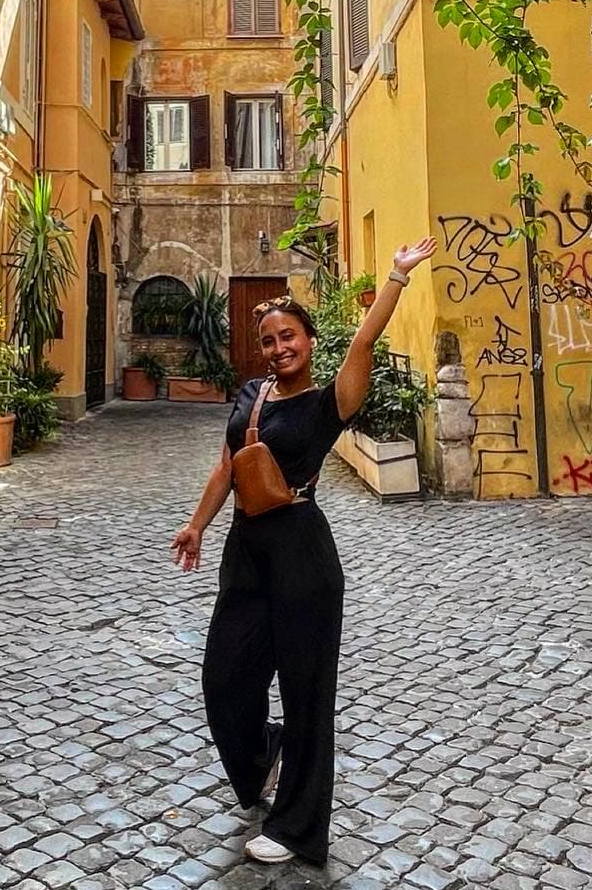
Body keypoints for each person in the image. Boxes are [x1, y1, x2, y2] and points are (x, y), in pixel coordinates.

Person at [170, 239, 436, 866]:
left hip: (301, 554)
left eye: (289, 336)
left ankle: (297, 827)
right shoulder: (251, 396)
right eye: (268, 340)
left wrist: (394, 278)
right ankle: (265, 757)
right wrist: (198, 524)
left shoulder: (328, 403)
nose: (279, 347)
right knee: (224, 679)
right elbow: (229, 465)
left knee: (306, 692)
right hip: (245, 551)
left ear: (308, 341)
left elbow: (363, 344)